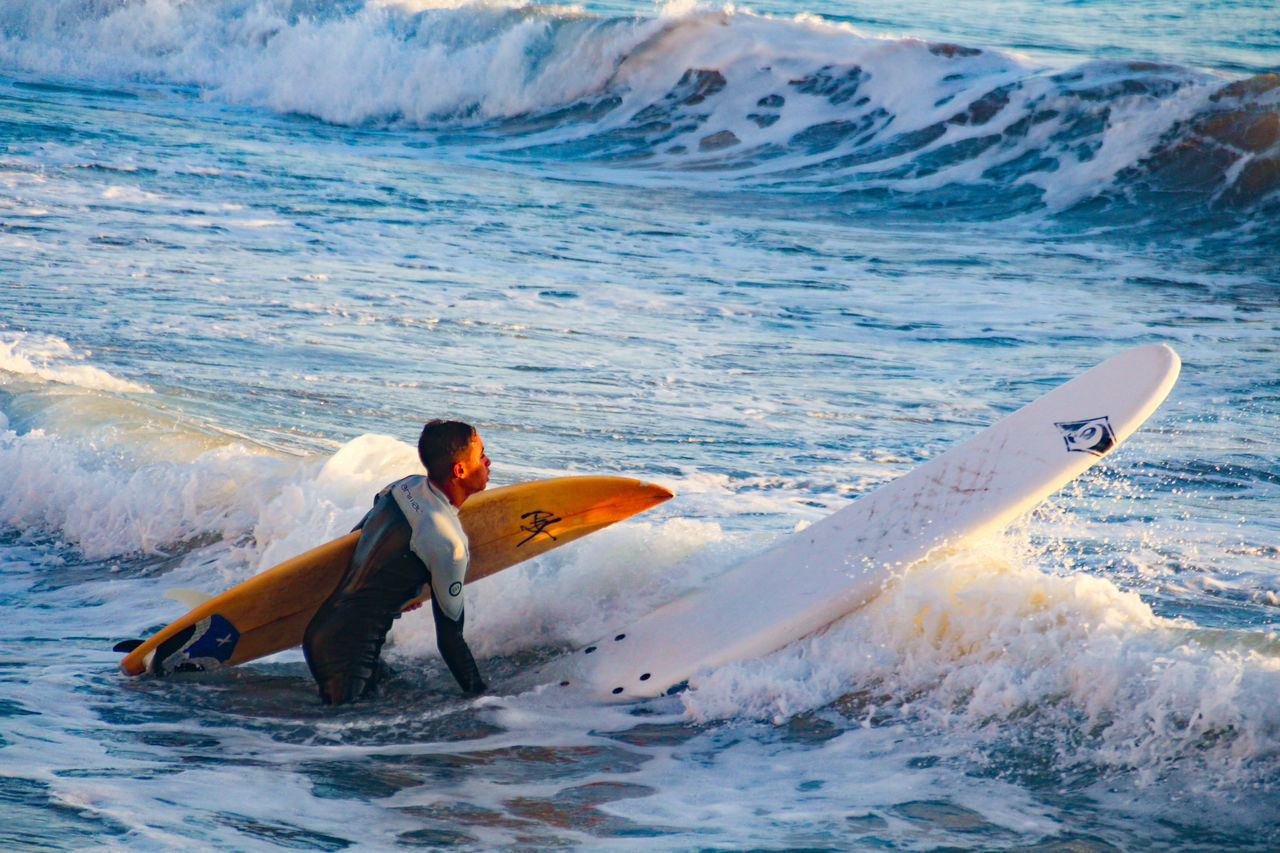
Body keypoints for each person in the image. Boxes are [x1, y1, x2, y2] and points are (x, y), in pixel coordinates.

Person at [303, 419, 491, 704]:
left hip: (325, 631)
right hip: (349, 652)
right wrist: (484, 700)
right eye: (481, 455)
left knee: (398, 690)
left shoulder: (404, 487)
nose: (488, 462)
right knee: (347, 740)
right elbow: (451, 640)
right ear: (460, 470)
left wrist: (399, 590)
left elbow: (359, 539)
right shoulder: (449, 544)